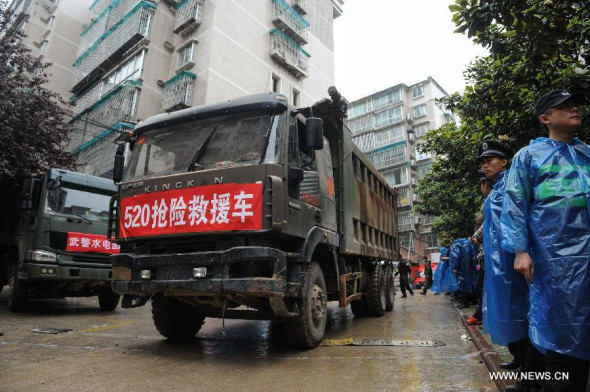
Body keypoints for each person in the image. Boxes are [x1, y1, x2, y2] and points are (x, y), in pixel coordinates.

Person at [502, 89, 589, 391]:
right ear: (545, 118)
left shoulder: (587, 154)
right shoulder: (529, 157)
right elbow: (515, 204)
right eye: (562, 107)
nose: (573, 108)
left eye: (574, 104)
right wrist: (520, 251)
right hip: (554, 263)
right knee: (561, 332)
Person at [479, 140, 545, 392]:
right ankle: (526, 372)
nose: (485, 165)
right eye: (483, 161)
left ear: (505, 161)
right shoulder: (498, 188)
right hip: (504, 267)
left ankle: (532, 382)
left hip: (517, 264)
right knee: (518, 319)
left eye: (490, 160)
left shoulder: (511, 182)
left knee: (529, 319)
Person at [467, 177, 494, 325]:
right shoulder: (492, 199)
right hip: (487, 255)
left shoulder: (493, 198)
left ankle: (481, 315)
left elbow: (487, 223)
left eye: (481, 186)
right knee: (482, 287)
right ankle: (481, 314)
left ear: (485, 185)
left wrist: (476, 236)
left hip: (490, 255)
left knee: (482, 287)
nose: (481, 190)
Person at [450, 237, 477, 309]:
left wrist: (456, 267)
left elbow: (458, 258)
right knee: (471, 285)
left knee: (463, 286)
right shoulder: (471, 246)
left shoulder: (461, 247)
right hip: (471, 269)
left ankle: (465, 303)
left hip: (463, 270)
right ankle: (472, 301)